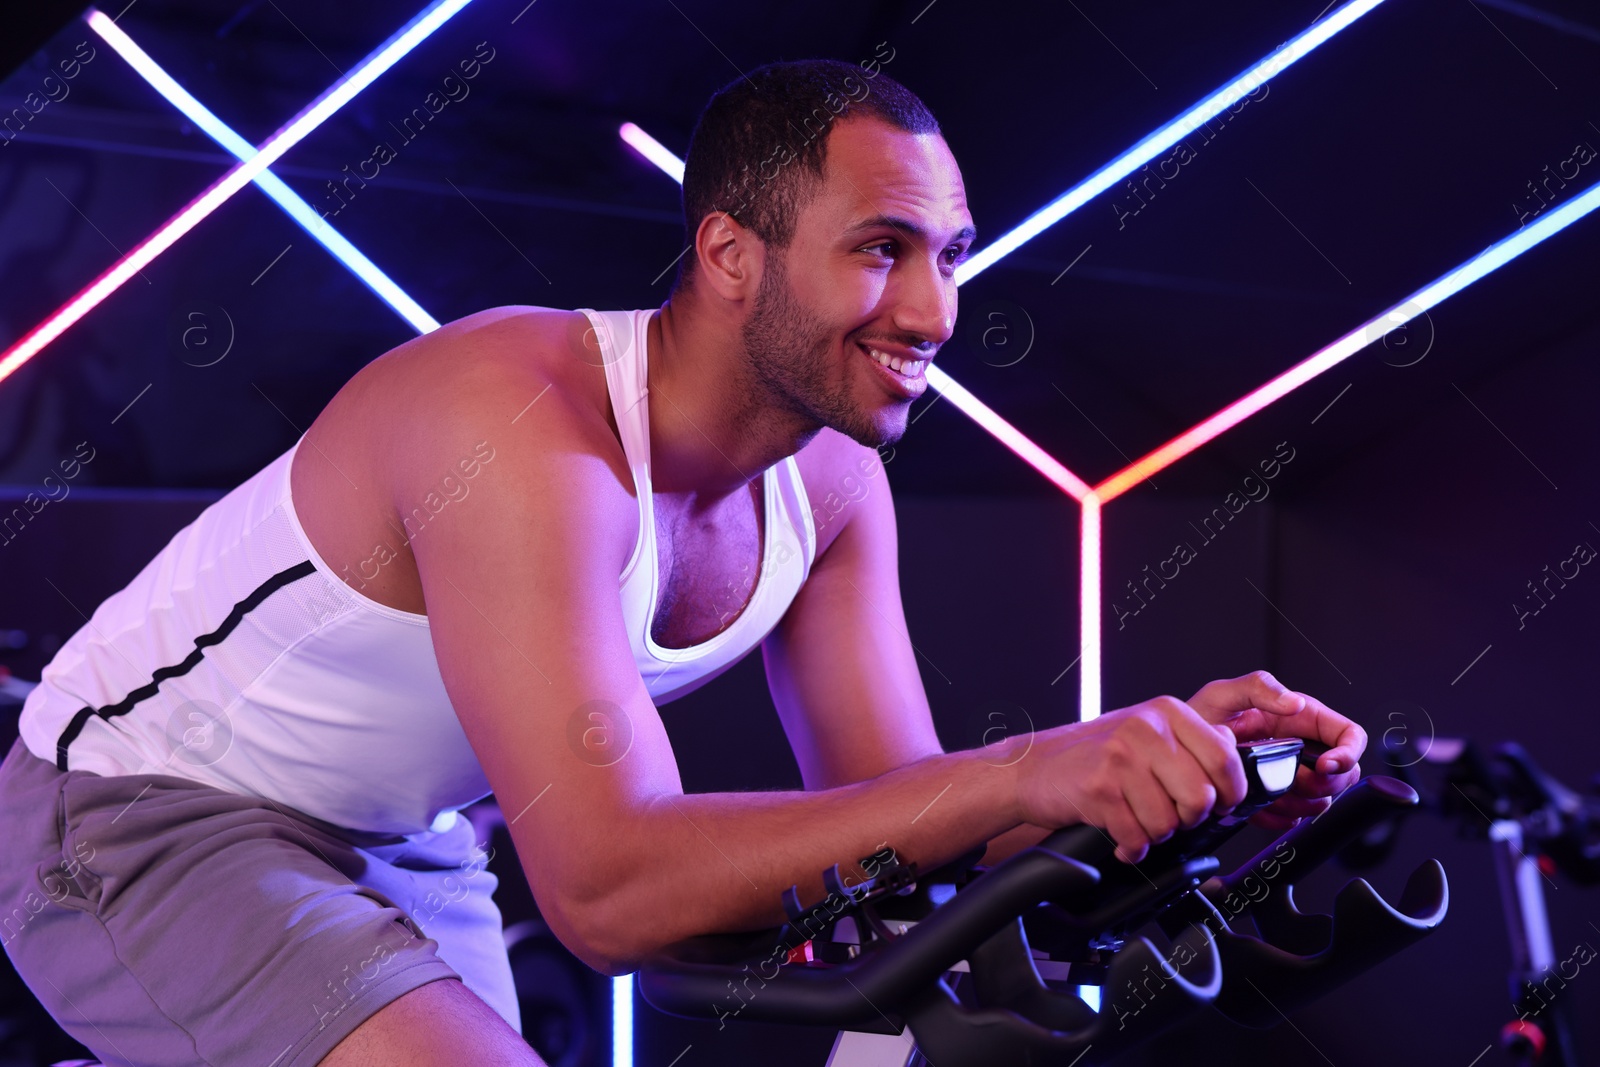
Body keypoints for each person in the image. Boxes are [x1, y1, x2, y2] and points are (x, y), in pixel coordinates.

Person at [0, 59, 1365, 1066]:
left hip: (396, 842)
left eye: (949, 256)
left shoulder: (832, 485)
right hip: (127, 816)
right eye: (880, 251)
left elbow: (909, 825)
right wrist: (1013, 774)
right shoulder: (525, 423)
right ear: (728, 253)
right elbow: (605, 894)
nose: (934, 310)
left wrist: (1177, 781)